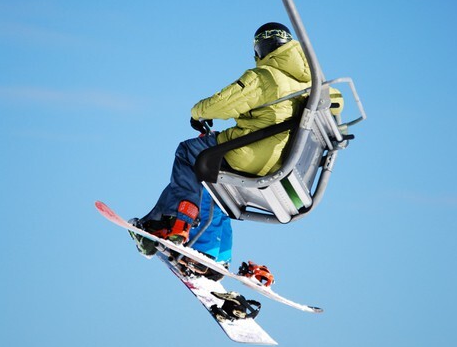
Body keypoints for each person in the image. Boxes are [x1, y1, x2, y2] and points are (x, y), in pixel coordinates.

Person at [130, 22, 342, 252]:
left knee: (188, 152)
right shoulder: (316, 85)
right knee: (213, 180)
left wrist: (197, 113)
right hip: (289, 164)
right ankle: (213, 251)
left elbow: (223, 103)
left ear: (261, 50)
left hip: (253, 155)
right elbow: (337, 101)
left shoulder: (266, 77)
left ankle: (174, 223)